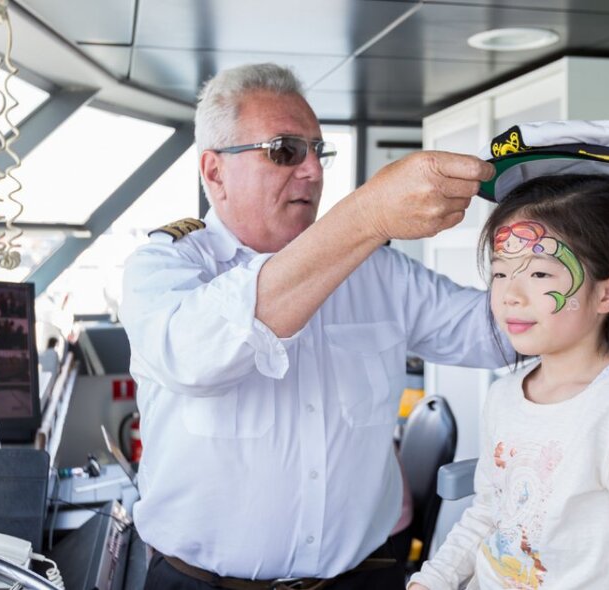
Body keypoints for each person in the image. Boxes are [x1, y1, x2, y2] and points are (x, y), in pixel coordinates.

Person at [119, 62, 508, 590]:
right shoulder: (164, 268)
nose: (313, 171)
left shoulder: (377, 271)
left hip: (360, 578)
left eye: (317, 151)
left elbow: (497, 332)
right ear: (214, 172)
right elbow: (196, 360)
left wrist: (582, 247)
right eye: (285, 151)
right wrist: (365, 216)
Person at [408, 171, 609, 590]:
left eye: (539, 275)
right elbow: (488, 512)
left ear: (608, 293)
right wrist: (431, 581)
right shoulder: (505, 395)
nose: (510, 295)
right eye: (501, 273)